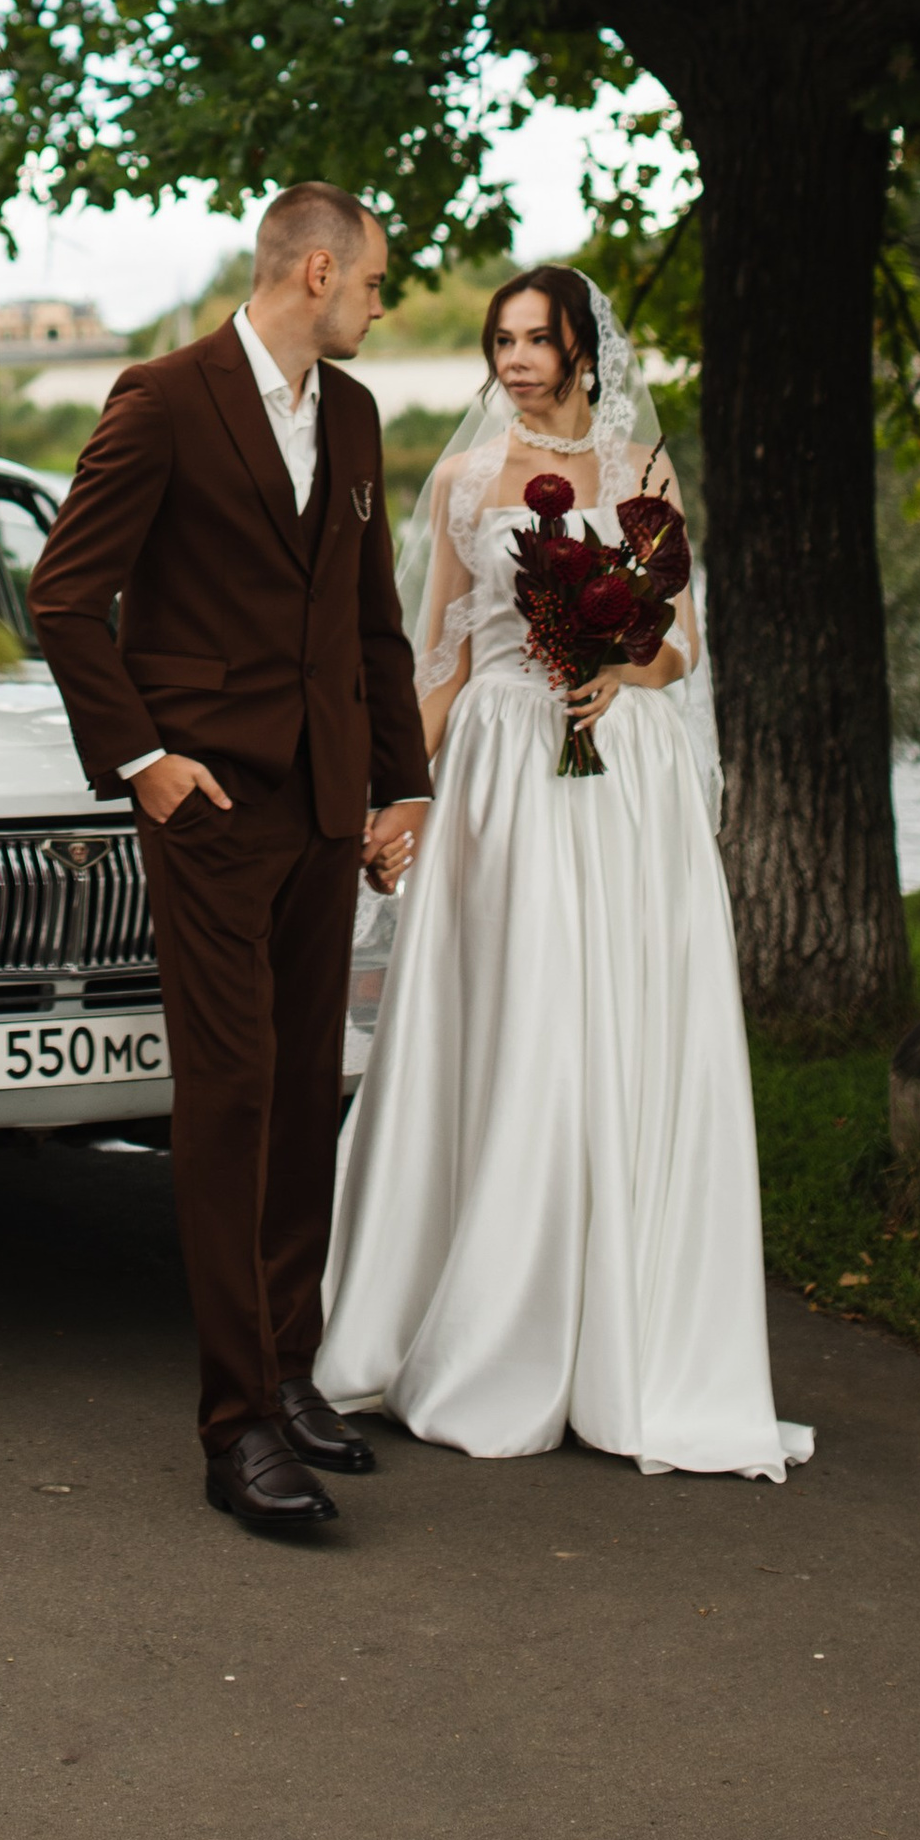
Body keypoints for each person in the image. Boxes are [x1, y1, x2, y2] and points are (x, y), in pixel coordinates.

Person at [317, 263, 812, 1482]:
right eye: (502, 338)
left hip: (620, 776)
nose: (517, 358)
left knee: (621, 1029)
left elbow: (681, 638)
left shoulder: (646, 473)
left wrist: (622, 670)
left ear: (584, 348)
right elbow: (432, 655)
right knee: (518, 1025)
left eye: (538, 338)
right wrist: (398, 794)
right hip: (498, 775)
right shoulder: (461, 479)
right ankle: (486, 1318)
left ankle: (622, 1341)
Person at [27, 184, 430, 1537]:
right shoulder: (162, 397)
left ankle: (290, 1367)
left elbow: (371, 621)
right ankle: (234, 1426)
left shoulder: (358, 418)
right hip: (207, 805)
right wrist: (145, 762)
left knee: (304, 1089)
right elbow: (66, 596)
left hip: (325, 806)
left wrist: (404, 781)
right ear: (315, 269)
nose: (385, 301)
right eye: (376, 279)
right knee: (232, 1096)